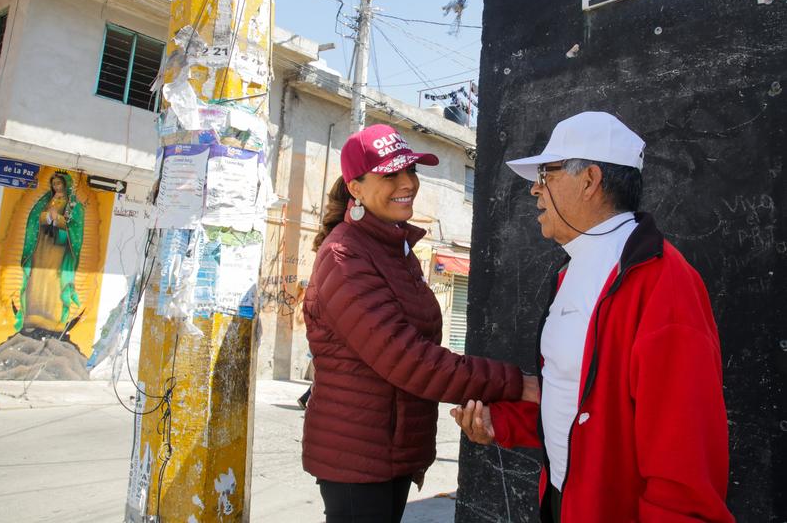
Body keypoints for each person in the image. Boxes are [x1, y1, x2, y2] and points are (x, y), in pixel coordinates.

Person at [451, 111, 734, 522]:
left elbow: (684, 462)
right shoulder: (571, 272)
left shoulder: (664, 284)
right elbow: (580, 405)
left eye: (546, 174)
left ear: (589, 181)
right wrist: (503, 422)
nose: (534, 190)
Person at [302, 124, 539, 523]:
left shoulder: (393, 249)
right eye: (390, 174)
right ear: (355, 188)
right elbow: (409, 359)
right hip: (358, 455)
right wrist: (514, 383)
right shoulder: (345, 257)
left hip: (390, 449)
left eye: (410, 170)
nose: (407, 182)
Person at [16, 172, 84, 337]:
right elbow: (33, 218)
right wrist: (46, 217)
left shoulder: (73, 205)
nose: (57, 188)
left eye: (59, 184)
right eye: (54, 185)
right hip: (41, 246)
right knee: (37, 277)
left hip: (58, 249)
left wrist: (58, 220)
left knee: (54, 280)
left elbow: (76, 227)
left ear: (66, 185)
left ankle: (53, 320)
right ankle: (32, 317)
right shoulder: (45, 201)